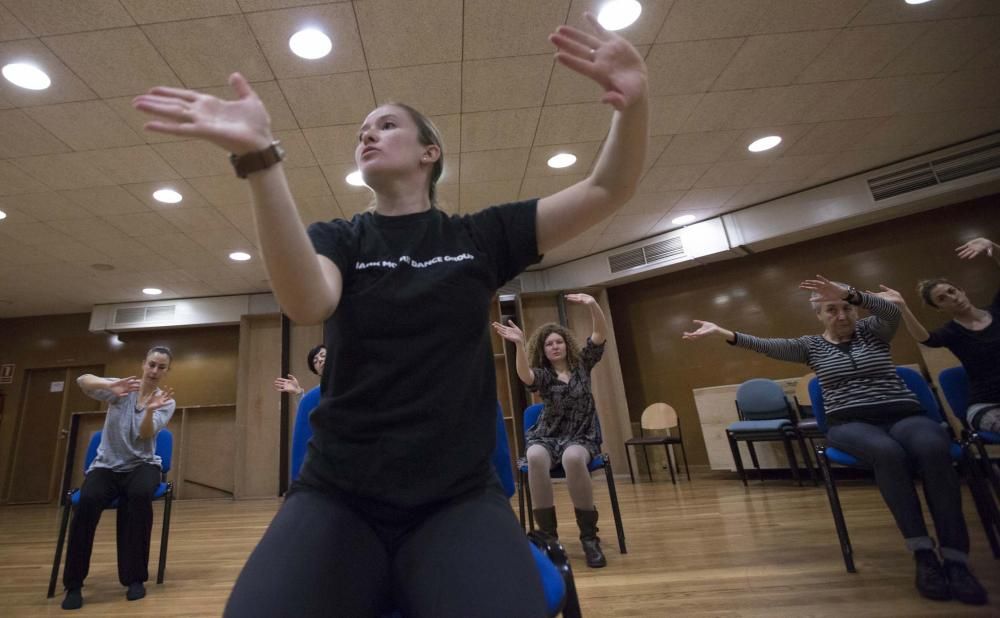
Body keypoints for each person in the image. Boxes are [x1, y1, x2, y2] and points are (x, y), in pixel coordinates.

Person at [134, 13, 647, 617]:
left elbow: (605, 190)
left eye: (386, 125)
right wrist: (259, 159)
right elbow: (307, 302)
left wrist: (633, 104)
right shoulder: (343, 239)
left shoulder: (479, 236)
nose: (367, 135)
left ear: (430, 152)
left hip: (457, 497)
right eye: (361, 132)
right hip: (338, 493)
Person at [682, 276, 987, 605]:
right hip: (850, 423)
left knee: (933, 446)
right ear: (819, 315)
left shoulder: (874, 331)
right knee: (888, 454)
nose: (841, 315)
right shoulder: (810, 347)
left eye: (846, 308)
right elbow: (764, 344)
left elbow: (891, 312)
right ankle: (923, 554)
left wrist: (848, 293)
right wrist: (722, 332)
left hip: (903, 415)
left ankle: (956, 560)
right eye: (831, 310)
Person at [492, 293, 609, 568]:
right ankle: (548, 538)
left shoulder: (582, 365)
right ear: (543, 351)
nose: (554, 347)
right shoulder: (543, 376)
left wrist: (593, 304)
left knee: (571, 459)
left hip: (580, 435)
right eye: (548, 344)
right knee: (534, 458)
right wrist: (520, 344)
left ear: (566, 345)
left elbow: (600, 333)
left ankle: (589, 538)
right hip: (547, 435)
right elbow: (526, 376)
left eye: (558, 342)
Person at [61, 347, 176, 610]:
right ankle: (74, 584)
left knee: (138, 496)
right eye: (152, 364)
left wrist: (148, 410)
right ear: (143, 364)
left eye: (161, 367)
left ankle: (134, 579)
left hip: (142, 464)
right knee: (87, 501)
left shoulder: (166, 401)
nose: (155, 371)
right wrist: (108, 386)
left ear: (167, 371)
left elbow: (144, 435)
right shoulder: (122, 386)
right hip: (107, 465)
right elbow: (83, 381)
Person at [878, 238, 1000, 435]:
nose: (952, 298)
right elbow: (925, 338)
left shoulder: (997, 310)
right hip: (986, 406)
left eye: (952, 291)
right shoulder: (952, 332)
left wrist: (993, 248)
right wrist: (903, 307)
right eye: (942, 299)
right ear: (939, 309)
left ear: (961, 290)